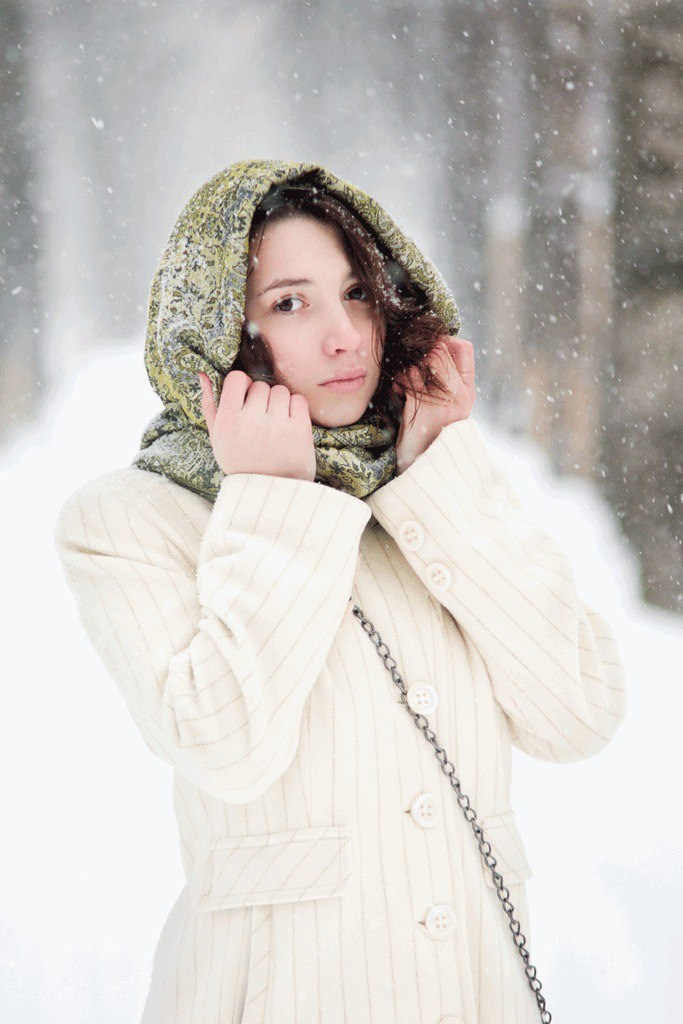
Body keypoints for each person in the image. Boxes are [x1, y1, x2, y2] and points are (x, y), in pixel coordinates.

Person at [53, 159, 627, 1024]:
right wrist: (275, 502)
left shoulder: (422, 496)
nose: (344, 337)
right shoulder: (129, 521)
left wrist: (440, 473)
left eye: (358, 293)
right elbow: (226, 747)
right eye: (290, 302)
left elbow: (578, 713)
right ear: (218, 327)